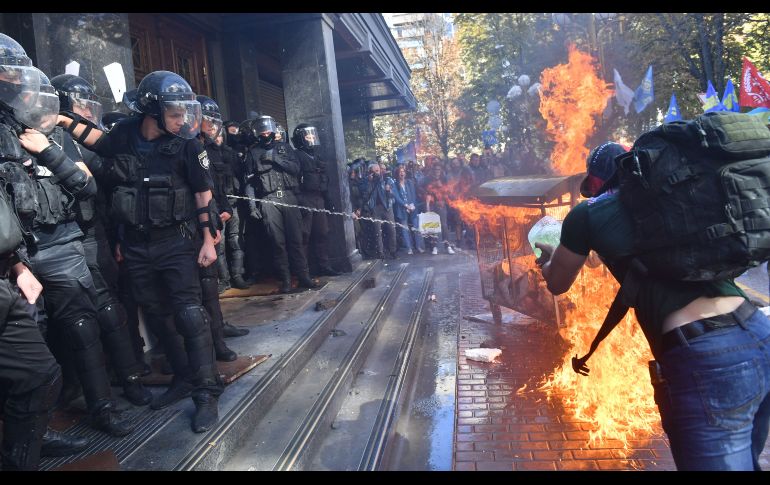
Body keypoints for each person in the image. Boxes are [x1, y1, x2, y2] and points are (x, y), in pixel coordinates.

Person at [536, 141, 770, 471]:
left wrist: (547, 261)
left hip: (708, 357)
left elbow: (557, 283)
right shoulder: (673, 200)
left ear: (599, 182)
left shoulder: (587, 214)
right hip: (757, 332)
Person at [56, 70, 224, 433]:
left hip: (176, 241)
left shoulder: (188, 145)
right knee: (158, 314)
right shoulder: (125, 135)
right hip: (135, 244)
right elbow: (97, 140)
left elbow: (203, 195)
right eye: (175, 113)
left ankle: (206, 392)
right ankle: (182, 377)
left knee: (190, 316)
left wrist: (209, 240)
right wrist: (58, 117)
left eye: (184, 113)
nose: (182, 120)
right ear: (151, 110)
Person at [51, 73, 153, 402]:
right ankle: (76, 382)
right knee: (67, 320)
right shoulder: (47, 135)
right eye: (82, 105)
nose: (88, 112)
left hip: (97, 230)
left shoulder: (93, 141)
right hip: (55, 237)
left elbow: (116, 182)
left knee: (110, 310)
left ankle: (130, 375)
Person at [240, 115, 318, 294]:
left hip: (289, 197)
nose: (266, 132)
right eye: (262, 130)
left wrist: (275, 158)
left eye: (268, 129)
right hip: (269, 200)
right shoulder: (252, 153)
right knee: (278, 243)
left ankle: (304, 277)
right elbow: (249, 183)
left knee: (296, 240)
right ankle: (285, 280)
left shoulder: (285, 148)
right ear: (257, 133)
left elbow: (296, 169)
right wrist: (252, 206)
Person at [195, 95, 239, 361]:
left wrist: (226, 210)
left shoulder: (211, 150)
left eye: (214, 121)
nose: (211, 126)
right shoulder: (184, 147)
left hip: (211, 222)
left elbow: (218, 187)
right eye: (206, 120)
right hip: (190, 225)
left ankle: (218, 338)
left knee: (210, 287)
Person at [292, 123, 340, 277]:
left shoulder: (317, 156)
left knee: (322, 233)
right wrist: (299, 200)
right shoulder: (297, 155)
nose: (312, 138)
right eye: (308, 136)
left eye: (313, 135)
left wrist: (328, 200)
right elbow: (294, 180)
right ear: (301, 138)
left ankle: (324, 266)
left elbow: (324, 180)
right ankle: (304, 271)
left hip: (319, 198)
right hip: (305, 197)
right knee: (304, 235)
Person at [361, 162, 397, 259]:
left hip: (387, 208)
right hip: (375, 209)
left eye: (377, 171)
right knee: (378, 232)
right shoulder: (367, 181)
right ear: (370, 172)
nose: (376, 173)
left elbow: (394, 195)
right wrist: (370, 182)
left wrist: (388, 190)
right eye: (373, 172)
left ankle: (393, 251)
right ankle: (380, 253)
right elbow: (365, 194)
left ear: (380, 170)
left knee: (392, 229)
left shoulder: (387, 180)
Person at [391, 164, 424, 254]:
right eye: (400, 172)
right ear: (397, 174)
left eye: (403, 171)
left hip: (412, 208)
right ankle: (409, 248)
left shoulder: (409, 182)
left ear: (405, 173)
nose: (402, 173)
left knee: (416, 226)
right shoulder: (394, 184)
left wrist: (412, 205)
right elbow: (397, 197)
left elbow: (413, 194)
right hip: (402, 209)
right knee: (405, 229)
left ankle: (418, 246)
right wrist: (405, 206)